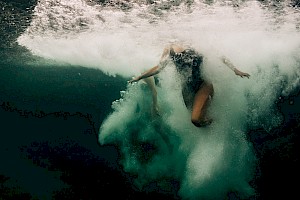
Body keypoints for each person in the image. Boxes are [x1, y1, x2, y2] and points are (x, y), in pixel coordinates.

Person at [129, 44, 250, 127]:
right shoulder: (169, 48)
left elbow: (219, 55)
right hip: (186, 89)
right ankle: (209, 127)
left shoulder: (197, 41)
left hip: (203, 85)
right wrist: (140, 77)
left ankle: (217, 123)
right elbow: (159, 68)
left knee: (195, 120)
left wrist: (235, 70)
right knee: (194, 119)